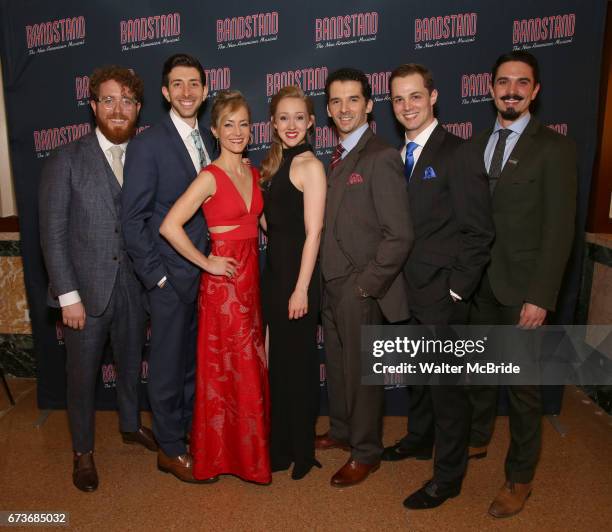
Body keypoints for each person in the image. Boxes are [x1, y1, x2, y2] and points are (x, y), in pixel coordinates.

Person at [467, 51, 576, 518]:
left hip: (523, 290)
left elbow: (559, 231)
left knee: (524, 389)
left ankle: (520, 478)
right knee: (477, 375)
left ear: (535, 91)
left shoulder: (554, 148)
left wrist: (541, 296)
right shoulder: (475, 145)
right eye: (503, 81)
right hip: (479, 286)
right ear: (490, 87)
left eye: (521, 83)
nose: (511, 90)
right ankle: (477, 437)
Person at [381, 64, 494, 509]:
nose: (407, 106)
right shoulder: (397, 156)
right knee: (418, 379)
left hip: (442, 296)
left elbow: (479, 232)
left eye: (415, 96)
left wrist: (456, 292)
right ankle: (417, 438)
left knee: (447, 393)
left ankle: (447, 478)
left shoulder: (459, 153)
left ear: (433, 97)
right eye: (398, 99)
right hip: (406, 292)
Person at [39, 65, 156, 493]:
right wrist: (67, 296)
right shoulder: (67, 159)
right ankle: (83, 451)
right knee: (82, 376)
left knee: (129, 368)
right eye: (108, 100)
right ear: (93, 106)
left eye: (127, 101)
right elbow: (51, 233)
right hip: (84, 295)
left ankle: (130, 425)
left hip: (132, 290)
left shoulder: (144, 157)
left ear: (138, 108)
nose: (118, 108)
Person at [160, 90, 270, 484]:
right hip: (222, 289)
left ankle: (249, 456)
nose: (237, 132)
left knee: (249, 368)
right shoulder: (209, 176)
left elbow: (264, 226)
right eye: (229, 124)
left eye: (243, 124)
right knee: (226, 371)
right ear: (215, 130)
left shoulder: (255, 173)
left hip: (252, 282)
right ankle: (223, 457)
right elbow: (169, 226)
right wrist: (207, 261)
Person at [122, 53, 217, 483]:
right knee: (165, 368)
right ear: (164, 93)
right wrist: (156, 277)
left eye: (193, 83)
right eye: (177, 84)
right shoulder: (147, 144)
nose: (186, 92)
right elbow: (133, 219)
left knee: (193, 366)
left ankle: (190, 434)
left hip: (205, 277)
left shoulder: (213, 141)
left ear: (205, 89)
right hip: (167, 279)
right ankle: (170, 449)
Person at [317, 68, 414, 487]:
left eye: (353, 100)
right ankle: (342, 431)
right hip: (331, 285)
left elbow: (400, 235)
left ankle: (366, 451)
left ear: (370, 105)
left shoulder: (380, 157)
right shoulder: (334, 157)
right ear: (327, 109)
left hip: (360, 288)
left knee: (362, 375)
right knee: (338, 369)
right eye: (336, 101)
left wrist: (366, 285)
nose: (344, 109)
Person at [260, 86, 326, 480]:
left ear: (311, 122)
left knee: (299, 368)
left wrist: (302, 288)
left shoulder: (310, 166)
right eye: (283, 118)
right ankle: (279, 447)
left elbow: (313, 233)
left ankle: (302, 449)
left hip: (298, 282)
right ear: (271, 123)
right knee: (278, 368)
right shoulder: (272, 166)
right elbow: (275, 225)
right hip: (274, 278)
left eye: (299, 117)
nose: (291, 125)